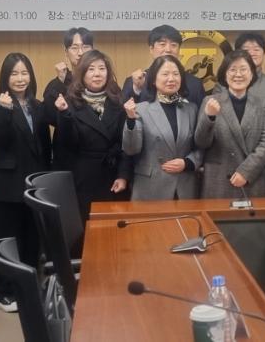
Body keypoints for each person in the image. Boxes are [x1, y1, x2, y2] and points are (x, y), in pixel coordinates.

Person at [0, 52, 51, 312]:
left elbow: (44, 145)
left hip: (33, 185)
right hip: (6, 185)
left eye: (24, 73)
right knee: (6, 240)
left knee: (32, 240)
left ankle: (29, 289)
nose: (20, 78)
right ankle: (5, 292)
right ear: (5, 77)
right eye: (14, 74)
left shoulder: (37, 105)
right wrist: (4, 112)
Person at [53, 50, 131, 220]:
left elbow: (125, 144)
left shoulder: (118, 101)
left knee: (112, 226)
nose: (97, 74)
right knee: (86, 226)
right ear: (82, 74)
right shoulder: (69, 102)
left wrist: (123, 175)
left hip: (112, 176)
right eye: (91, 69)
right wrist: (64, 114)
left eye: (102, 68)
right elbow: (66, 144)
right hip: (83, 177)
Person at [122, 55, 202, 200]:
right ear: (153, 80)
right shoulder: (140, 109)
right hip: (151, 187)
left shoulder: (192, 109)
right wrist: (131, 120)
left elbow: (201, 146)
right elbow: (131, 149)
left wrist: (188, 162)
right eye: (165, 74)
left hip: (184, 186)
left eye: (176, 74)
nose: (171, 79)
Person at [195, 50, 265, 198]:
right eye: (232, 70)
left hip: (251, 179)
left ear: (252, 74)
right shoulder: (210, 101)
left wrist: (246, 172)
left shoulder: (262, 105)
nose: (238, 74)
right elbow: (201, 143)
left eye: (243, 69)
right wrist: (209, 117)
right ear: (224, 74)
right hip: (218, 180)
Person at [42, 27, 94, 169]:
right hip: (67, 157)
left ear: (93, 50)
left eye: (85, 47)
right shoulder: (58, 83)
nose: (80, 53)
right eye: (74, 48)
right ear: (66, 52)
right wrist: (60, 81)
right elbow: (49, 116)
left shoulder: (102, 81)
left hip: (96, 158)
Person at [121, 24, 205, 109]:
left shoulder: (195, 84)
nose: (168, 49)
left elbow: (201, 115)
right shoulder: (134, 82)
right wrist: (137, 89)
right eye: (162, 44)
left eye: (173, 45)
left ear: (179, 50)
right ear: (151, 49)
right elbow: (124, 113)